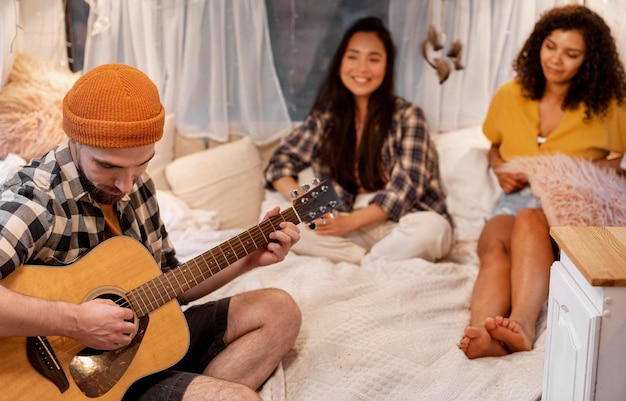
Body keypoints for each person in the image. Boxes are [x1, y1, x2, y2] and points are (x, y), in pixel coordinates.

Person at [0, 63, 302, 400]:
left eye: (141, 163)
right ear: (75, 140)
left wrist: (248, 258)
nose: (125, 184)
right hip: (67, 381)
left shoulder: (138, 188)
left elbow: (171, 284)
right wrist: (75, 322)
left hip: (142, 351)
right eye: (108, 166)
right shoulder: (36, 200)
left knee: (280, 310)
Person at [460, 4, 626, 359]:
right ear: (538, 43)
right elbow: (494, 146)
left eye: (571, 54)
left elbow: (615, 165)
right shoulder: (510, 94)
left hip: (564, 209)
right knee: (493, 250)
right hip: (513, 197)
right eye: (550, 46)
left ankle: (520, 324)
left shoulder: (609, 105)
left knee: (529, 219)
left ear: (589, 59)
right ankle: (484, 332)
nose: (556, 59)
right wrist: (500, 167)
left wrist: (564, 176)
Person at [264, 16, 453, 265]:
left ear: (387, 67)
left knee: (434, 228)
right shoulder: (326, 116)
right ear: (340, 61)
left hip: (396, 223)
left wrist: (350, 223)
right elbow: (280, 163)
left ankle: (369, 262)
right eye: (353, 56)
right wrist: (303, 201)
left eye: (373, 59)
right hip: (344, 224)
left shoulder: (408, 115)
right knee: (271, 222)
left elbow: (407, 184)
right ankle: (367, 260)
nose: (362, 68)